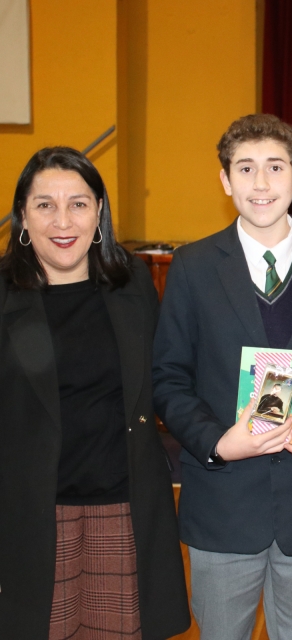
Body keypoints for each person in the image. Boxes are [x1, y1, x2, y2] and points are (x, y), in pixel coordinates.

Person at [152, 114, 292, 640]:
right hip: (223, 501)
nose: (260, 183)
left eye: (275, 168)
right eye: (245, 168)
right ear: (225, 181)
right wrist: (216, 442)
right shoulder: (192, 266)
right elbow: (167, 377)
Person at [0, 147, 190, 639]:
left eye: (78, 204)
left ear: (99, 211)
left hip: (123, 508)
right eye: (45, 205)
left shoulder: (132, 284)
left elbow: (168, 379)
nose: (63, 221)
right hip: (32, 516)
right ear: (22, 214)